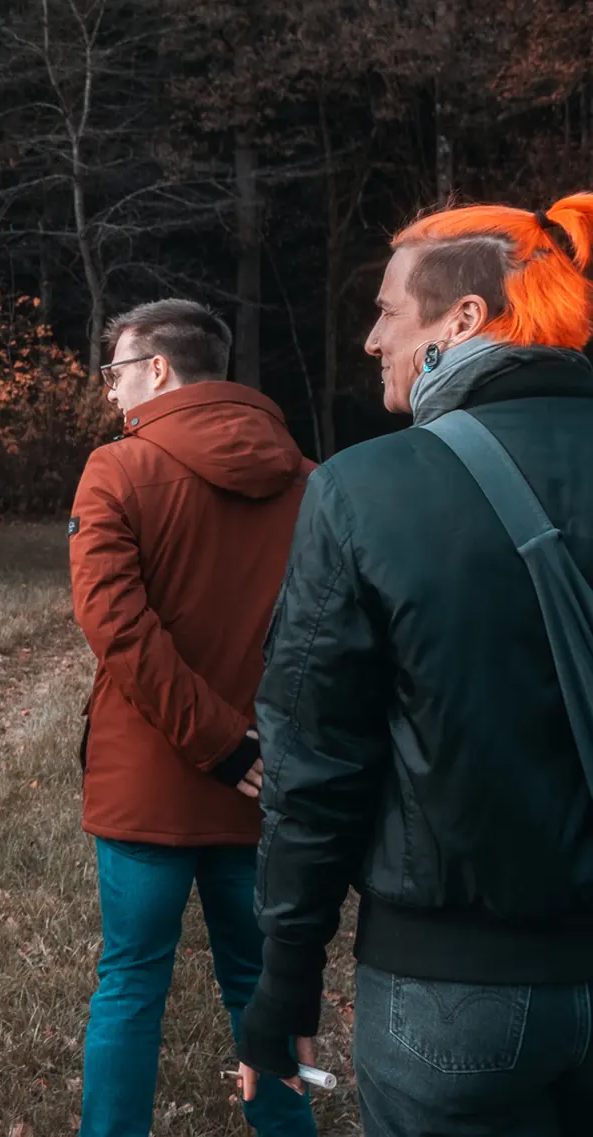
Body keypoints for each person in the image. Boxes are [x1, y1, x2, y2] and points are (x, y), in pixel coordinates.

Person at [238, 194, 593, 1134]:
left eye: (389, 311)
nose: (368, 339)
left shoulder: (366, 489)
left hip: (455, 985)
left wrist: (286, 980)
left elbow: (315, 764)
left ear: (463, 319)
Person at [67, 298, 317, 1137]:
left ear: (159, 371)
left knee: (133, 977)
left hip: (153, 782)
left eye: (117, 372)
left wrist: (212, 742)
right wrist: (253, 743)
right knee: (262, 979)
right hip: (266, 775)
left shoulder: (117, 469)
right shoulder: (308, 477)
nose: (112, 395)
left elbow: (114, 624)